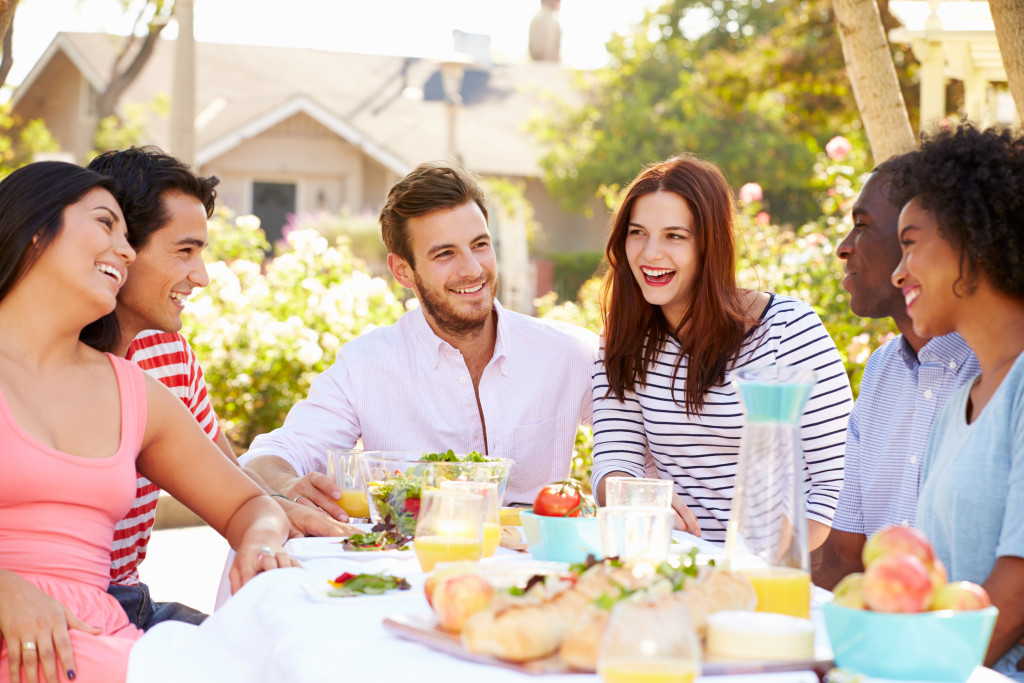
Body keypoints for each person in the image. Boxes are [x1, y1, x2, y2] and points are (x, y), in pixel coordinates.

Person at [0, 161, 296, 683]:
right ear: (36, 232)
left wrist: (261, 540)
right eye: (104, 224)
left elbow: (250, 505)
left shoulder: (134, 391)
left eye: (128, 234)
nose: (126, 250)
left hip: (100, 639)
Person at [84, 147, 352, 631]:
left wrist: (287, 503)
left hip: (126, 598)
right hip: (58, 610)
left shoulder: (169, 352)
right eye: (184, 251)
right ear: (119, 245)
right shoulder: (45, 362)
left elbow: (229, 479)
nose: (201, 276)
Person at [241, 161, 597, 508]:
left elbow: (641, 448)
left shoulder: (569, 353)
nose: (473, 269)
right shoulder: (365, 366)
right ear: (402, 271)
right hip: (413, 561)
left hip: (534, 564)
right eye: (445, 253)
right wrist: (287, 485)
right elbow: (275, 455)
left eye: (480, 245)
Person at [590, 154, 853, 546]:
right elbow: (615, 461)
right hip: (676, 568)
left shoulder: (788, 330)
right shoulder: (625, 340)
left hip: (776, 572)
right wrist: (634, 497)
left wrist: (760, 563)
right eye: (637, 232)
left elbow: (838, 479)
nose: (649, 254)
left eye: (674, 236)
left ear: (709, 244)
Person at [887, 125, 1024, 679]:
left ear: (971, 236)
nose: (898, 271)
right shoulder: (960, 402)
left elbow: (1013, 600)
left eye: (911, 243)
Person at [811, 164, 979, 590]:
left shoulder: (996, 370)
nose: (843, 248)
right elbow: (844, 555)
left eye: (863, 226)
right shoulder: (883, 369)